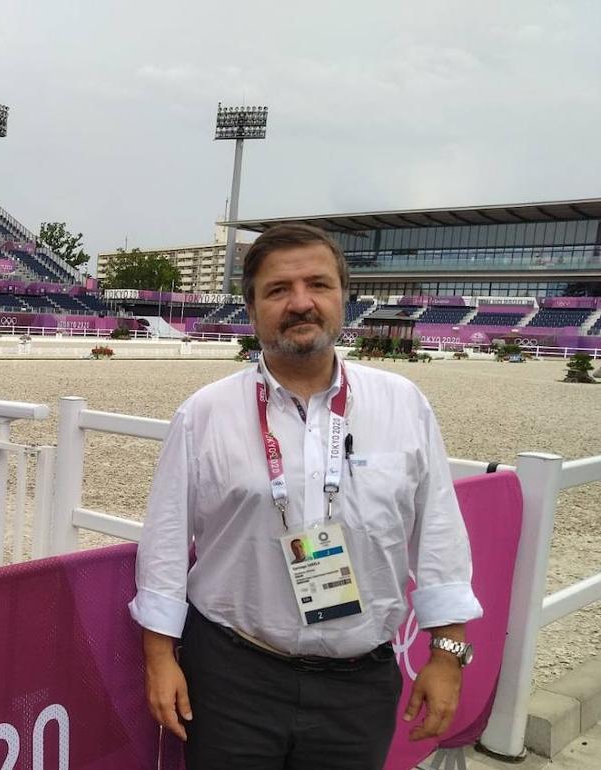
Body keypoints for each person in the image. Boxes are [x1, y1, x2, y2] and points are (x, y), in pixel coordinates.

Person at [130, 223, 481, 769]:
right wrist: (159, 657)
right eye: (277, 290)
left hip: (359, 685)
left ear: (344, 298)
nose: (300, 303)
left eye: (318, 284)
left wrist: (448, 653)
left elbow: (438, 532)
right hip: (231, 677)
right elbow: (166, 540)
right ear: (251, 309)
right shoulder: (205, 412)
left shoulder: (403, 404)